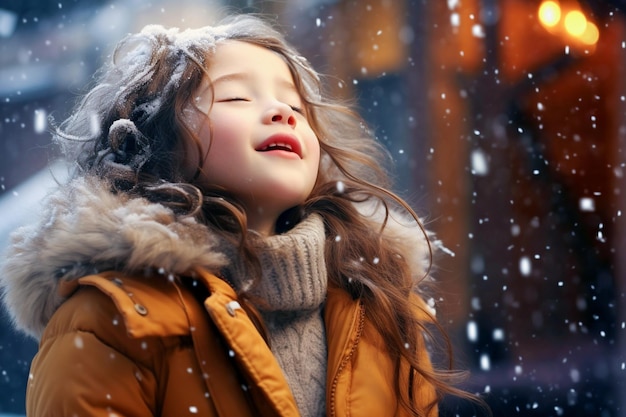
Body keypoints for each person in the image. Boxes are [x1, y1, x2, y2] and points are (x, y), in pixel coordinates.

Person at [0, 14, 474, 417]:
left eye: (295, 105)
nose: (281, 113)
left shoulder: (382, 305)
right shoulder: (116, 318)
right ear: (154, 144)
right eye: (235, 98)